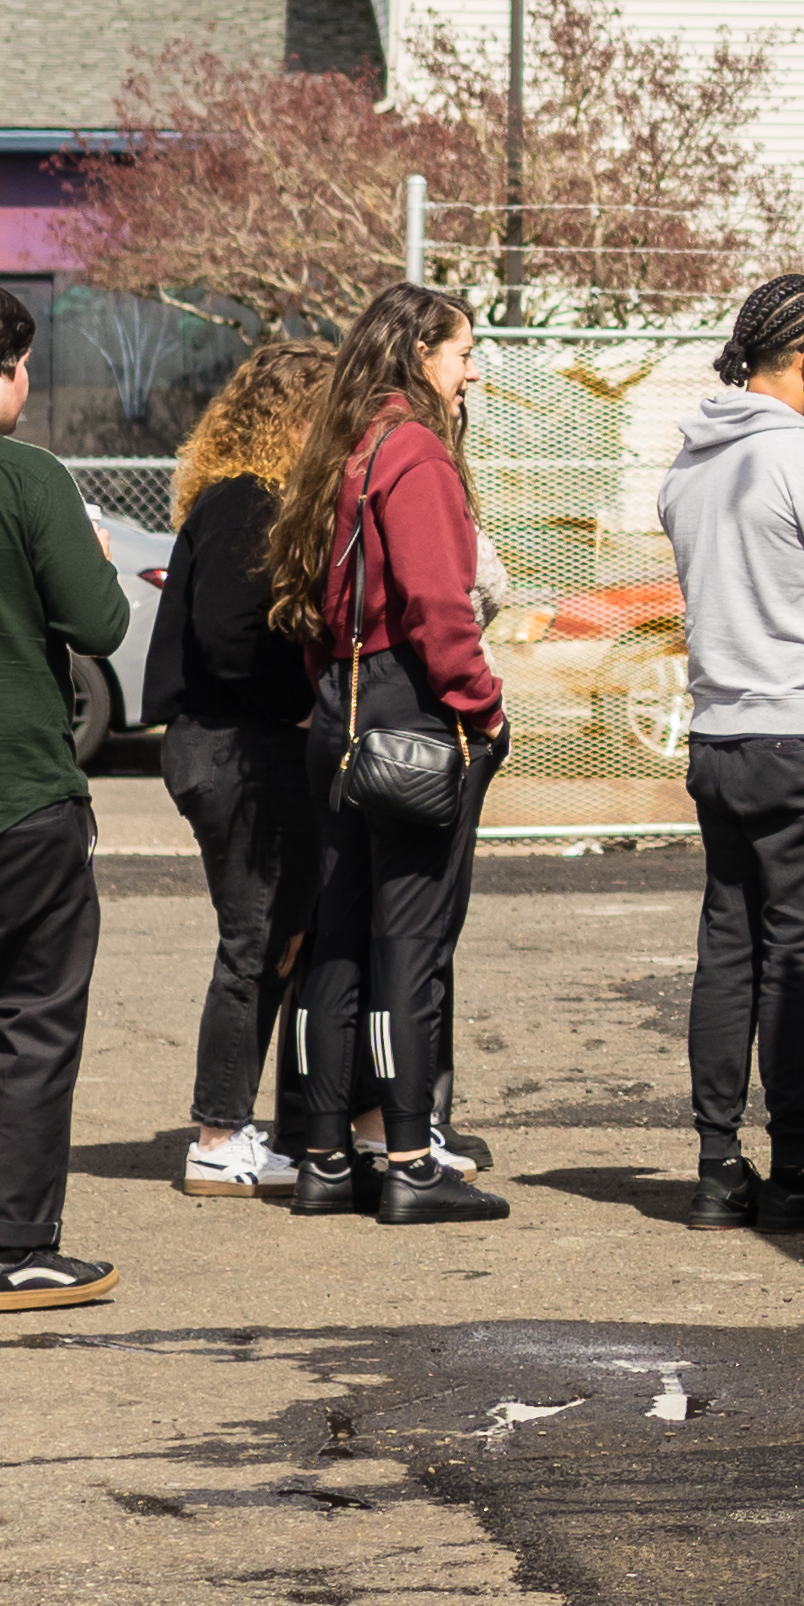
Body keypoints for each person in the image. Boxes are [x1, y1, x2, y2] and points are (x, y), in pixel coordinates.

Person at [660, 272, 804, 1235]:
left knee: (728, 952)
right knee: (801, 963)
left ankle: (720, 1166)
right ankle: (795, 1168)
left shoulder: (689, 467)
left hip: (720, 740)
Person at [272, 286, 511, 1223]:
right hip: (410, 707)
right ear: (419, 352)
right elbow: (437, 605)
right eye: (461, 352)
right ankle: (411, 1161)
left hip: (340, 708)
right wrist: (482, 709)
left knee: (337, 942)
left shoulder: (346, 446)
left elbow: (309, 600)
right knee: (408, 944)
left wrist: (334, 694)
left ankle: (324, 1158)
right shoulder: (414, 451)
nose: (471, 371)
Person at [0, 278, 131, 1309]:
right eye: (20, 369)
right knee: (34, 1025)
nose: (25, 387)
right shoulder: (27, 476)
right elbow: (100, 624)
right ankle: (14, 1249)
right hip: (18, 799)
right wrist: (93, 555)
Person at [138, 340, 330, 1190]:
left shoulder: (242, 499)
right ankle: (217, 1139)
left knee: (277, 937)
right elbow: (227, 640)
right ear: (292, 417)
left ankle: (236, 1128)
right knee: (254, 941)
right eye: (327, 413)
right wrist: (292, 701)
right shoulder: (246, 503)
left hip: (232, 745)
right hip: (234, 748)